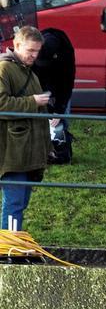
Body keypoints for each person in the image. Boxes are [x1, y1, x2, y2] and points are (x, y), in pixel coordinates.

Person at [0, 25, 51, 232]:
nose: (34, 55)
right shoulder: (4, 69)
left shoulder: (29, 73)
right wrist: (33, 101)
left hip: (26, 152)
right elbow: (1, 104)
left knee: (19, 204)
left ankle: (12, 248)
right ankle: (7, 250)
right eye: (30, 50)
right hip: (12, 152)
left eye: (37, 51)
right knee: (14, 204)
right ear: (16, 45)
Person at [35, 27, 76, 165]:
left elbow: (67, 84)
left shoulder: (65, 54)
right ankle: (45, 151)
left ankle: (61, 152)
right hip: (39, 86)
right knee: (43, 120)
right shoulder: (35, 46)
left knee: (59, 121)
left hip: (60, 85)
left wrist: (59, 109)